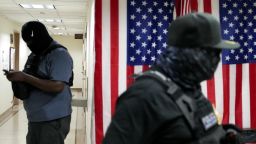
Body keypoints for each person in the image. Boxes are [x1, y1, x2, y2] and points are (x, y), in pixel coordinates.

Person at [102, 12, 243, 144]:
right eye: (211, 53)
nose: (216, 60)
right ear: (188, 54)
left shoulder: (188, 87)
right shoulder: (144, 96)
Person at [5, 21, 73, 144]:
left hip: (52, 119)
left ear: (42, 37)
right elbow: (30, 76)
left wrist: (24, 77)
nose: (30, 45)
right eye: (27, 43)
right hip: (36, 118)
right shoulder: (34, 55)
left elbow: (57, 86)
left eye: (32, 42)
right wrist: (17, 77)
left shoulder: (59, 55)